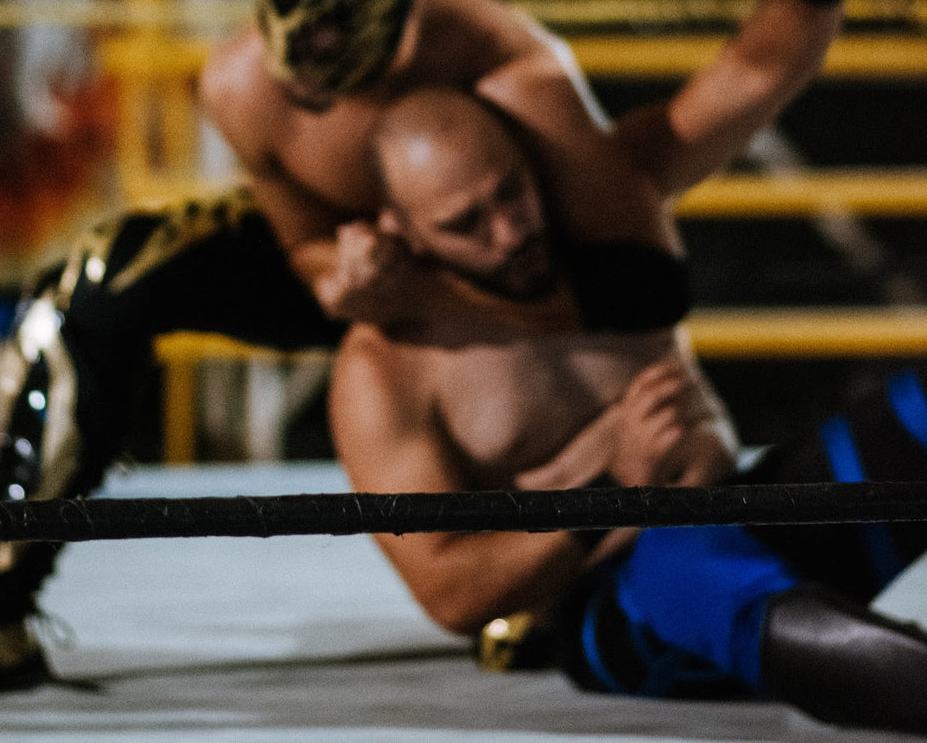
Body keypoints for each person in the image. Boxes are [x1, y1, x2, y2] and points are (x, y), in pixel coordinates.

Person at [0, 0, 852, 695]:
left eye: (331, 52)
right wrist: (342, 276)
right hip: (377, 276)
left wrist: (440, 298)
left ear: (393, 18)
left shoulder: (518, 79)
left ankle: (555, 576)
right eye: (292, 47)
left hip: (508, 302)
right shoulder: (245, 85)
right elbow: (299, 245)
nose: (305, 76)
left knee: (564, 341)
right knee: (99, 281)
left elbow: (641, 291)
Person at [330, 87, 927, 732]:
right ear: (400, 230)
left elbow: (751, 74)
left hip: (745, 517)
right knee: (685, 563)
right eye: (464, 224)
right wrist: (615, 487)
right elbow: (451, 594)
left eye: (511, 192)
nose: (509, 233)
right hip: (614, 611)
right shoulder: (384, 373)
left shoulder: (607, 243)